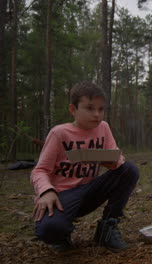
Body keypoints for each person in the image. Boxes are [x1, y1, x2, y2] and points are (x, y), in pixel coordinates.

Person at [30, 81, 139, 253]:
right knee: (49, 230)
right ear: (73, 109)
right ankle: (61, 233)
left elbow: (116, 159)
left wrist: (110, 160)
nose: (97, 114)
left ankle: (107, 227)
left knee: (129, 170)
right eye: (89, 108)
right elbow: (40, 170)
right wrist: (46, 191)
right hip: (61, 196)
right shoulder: (59, 133)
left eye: (101, 109)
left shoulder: (103, 128)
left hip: (89, 191)